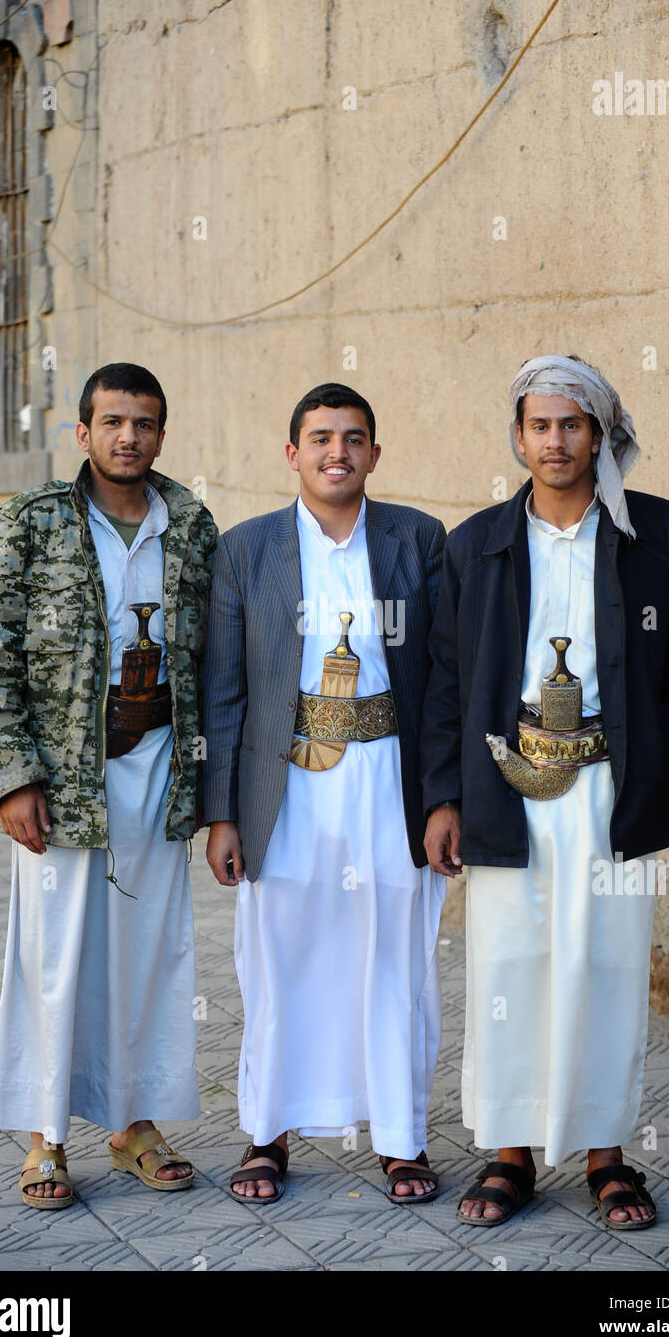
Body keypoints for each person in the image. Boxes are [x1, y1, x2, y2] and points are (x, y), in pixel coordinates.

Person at [421, 354, 669, 1229]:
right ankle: (509, 1154)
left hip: (610, 792)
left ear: (599, 433)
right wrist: (443, 798)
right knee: (508, 967)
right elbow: (444, 681)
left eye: (572, 424)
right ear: (517, 438)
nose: (554, 441)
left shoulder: (657, 534)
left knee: (603, 965)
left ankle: (605, 1156)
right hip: (504, 789)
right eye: (539, 425)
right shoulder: (473, 543)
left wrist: (664, 741)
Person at [0, 362, 217, 1208]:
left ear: (159, 433)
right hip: (63, 776)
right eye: (112, 422)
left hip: (156, 769)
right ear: (83, 432)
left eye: (143, 423)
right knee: (53, 959)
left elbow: (212, 659)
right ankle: (45, 1138)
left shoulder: (188, 523)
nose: (128, 437)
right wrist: (12, 778)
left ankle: (135, 1124)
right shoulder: (35, 522)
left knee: (146, 954)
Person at [203, 382, 446, 1204]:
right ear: (292, 453)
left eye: (352, 439)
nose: (335, 453)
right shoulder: (246, 550)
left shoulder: (417, 539)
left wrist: (444, 799)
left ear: (374, 453)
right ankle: (266, 1135)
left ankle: (400, 1138)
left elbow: (444, 680)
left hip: (387, 777)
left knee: (391, 955)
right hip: (288, 780)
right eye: (319, 438)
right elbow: (224, 692)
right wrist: (223, 813)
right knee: (278, 957)